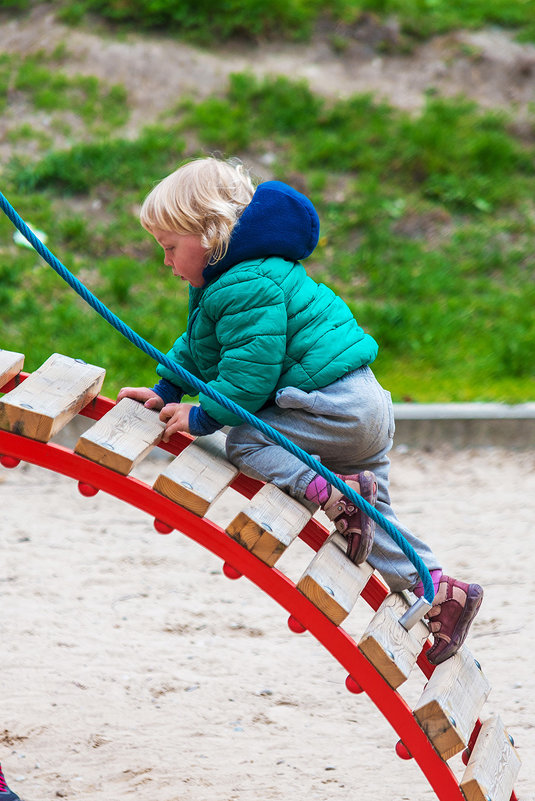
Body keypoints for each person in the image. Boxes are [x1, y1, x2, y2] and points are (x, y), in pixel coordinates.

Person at [118, 156, 483, 665]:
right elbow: (202, 346)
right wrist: (167, 388)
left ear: (208, 233)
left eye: (169, 247)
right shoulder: (242, 277)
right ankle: (442, 592)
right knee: (375, 521)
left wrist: (202, 418)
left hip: (330, 407)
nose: (166, 261)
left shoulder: (243, 285)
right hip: (365, 406)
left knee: (244, 440)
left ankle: (338, 495)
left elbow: (249, 375)